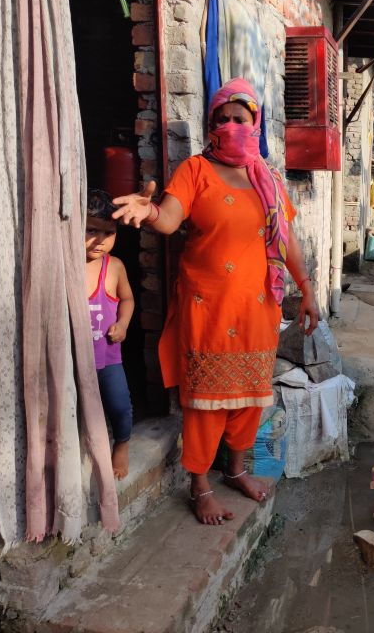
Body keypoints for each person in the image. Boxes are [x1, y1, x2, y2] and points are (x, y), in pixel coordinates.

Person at [111, 78, 320, 525]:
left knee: (250, 397)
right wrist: (148, 211)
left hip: (257, 305)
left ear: (255, 123)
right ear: (211, 126)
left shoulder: (268, 178)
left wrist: (308, 290)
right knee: (206, 400)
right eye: (221, 119)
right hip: (207, 305)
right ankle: (200, 486)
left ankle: (237, 469)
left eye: (238, 119)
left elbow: (288, 240)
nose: (229, 125)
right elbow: (168, 218)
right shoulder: (195, 171)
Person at [85, 189, 135, 480]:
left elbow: (127, 299)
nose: (100, 240)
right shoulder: (66, 267)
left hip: (108, 355)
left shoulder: (114, 267)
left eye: (109, 233)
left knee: (119, 404)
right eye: (91, 229)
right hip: (75, 359)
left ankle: (123, 442)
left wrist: (124, 324)